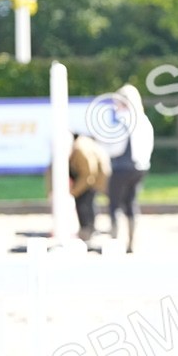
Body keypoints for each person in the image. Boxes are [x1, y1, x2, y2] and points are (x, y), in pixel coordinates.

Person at [104, 84, 155, 253]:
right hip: (140, 167)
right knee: (131, 202)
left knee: (115, 204)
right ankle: (132, 242)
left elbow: (115, 148)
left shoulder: (123, 120)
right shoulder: (143, 119)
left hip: (122, 166)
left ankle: (115, 241)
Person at [69, 132, 111, 242]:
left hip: (93, 179)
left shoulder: (80, 149)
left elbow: (88, 175)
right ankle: (89, 230)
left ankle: (87, 231)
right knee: (87, 203)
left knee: (84, 204)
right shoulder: (82, 145)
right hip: (94, 177)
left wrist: (74, 191)